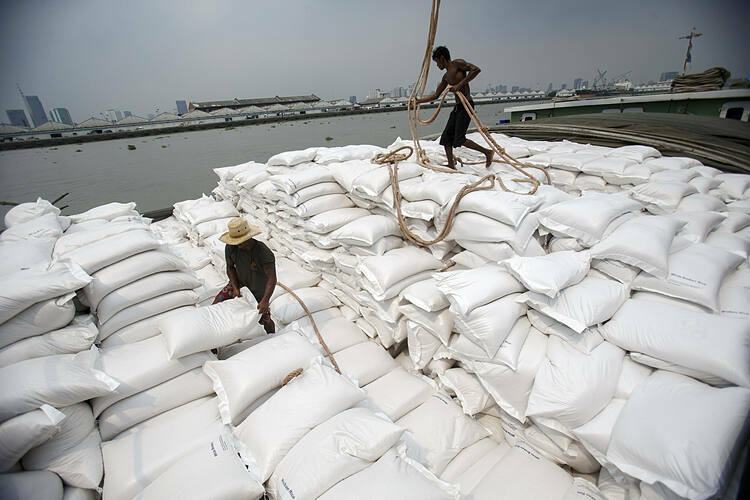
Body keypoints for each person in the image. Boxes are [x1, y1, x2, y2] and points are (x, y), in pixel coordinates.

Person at [413, 45, 494, 169]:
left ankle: (488, 152)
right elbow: (436, 95)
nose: (437, 66)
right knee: (446, 138)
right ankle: (451, 164)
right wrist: (418, 101)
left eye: (436, 62)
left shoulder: (457, 64)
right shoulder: (446, 77)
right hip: (457, 107)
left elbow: (476, 70)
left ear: (441, 58)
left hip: (466, 105)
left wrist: (460, 84)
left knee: (459, 139)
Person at [215, 217, 277, 333]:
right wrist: (235, 287)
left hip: (258, 290)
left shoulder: (263, 252)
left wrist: (265, 300)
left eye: (240, 242)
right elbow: (230, 267)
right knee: (217, 303)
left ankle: (272, 336)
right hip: (239, 283)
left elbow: (272, 279)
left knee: (264, 318)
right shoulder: (231, 247)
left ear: (248, 238)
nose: (237, 245)